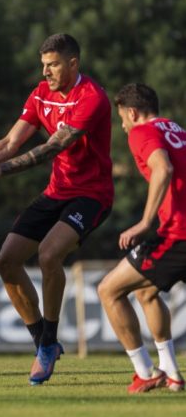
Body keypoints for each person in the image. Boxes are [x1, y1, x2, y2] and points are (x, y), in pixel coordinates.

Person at [0, 33, 113, 385]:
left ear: (73, 63)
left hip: (91, 195)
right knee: (5, 261)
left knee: (49, 256)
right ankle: (43, 342)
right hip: (56, 192)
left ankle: (49, 341)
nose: (46, 71)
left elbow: (52, 148)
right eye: (43, 65)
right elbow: (10, 142)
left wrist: (0, 171)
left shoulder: (93, 98)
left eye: (52, 65)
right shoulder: (40, 93)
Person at [97, 83, 184, 393]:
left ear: (132, 112)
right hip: (177, 233)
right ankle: (172, 373)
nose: (122, 126)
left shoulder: (141, 132)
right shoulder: (175, 128)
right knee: (147, 293)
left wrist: (145, 221)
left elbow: (163, 169)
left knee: (109, 290)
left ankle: (146, 372)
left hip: (178, 235)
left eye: (122, 118)